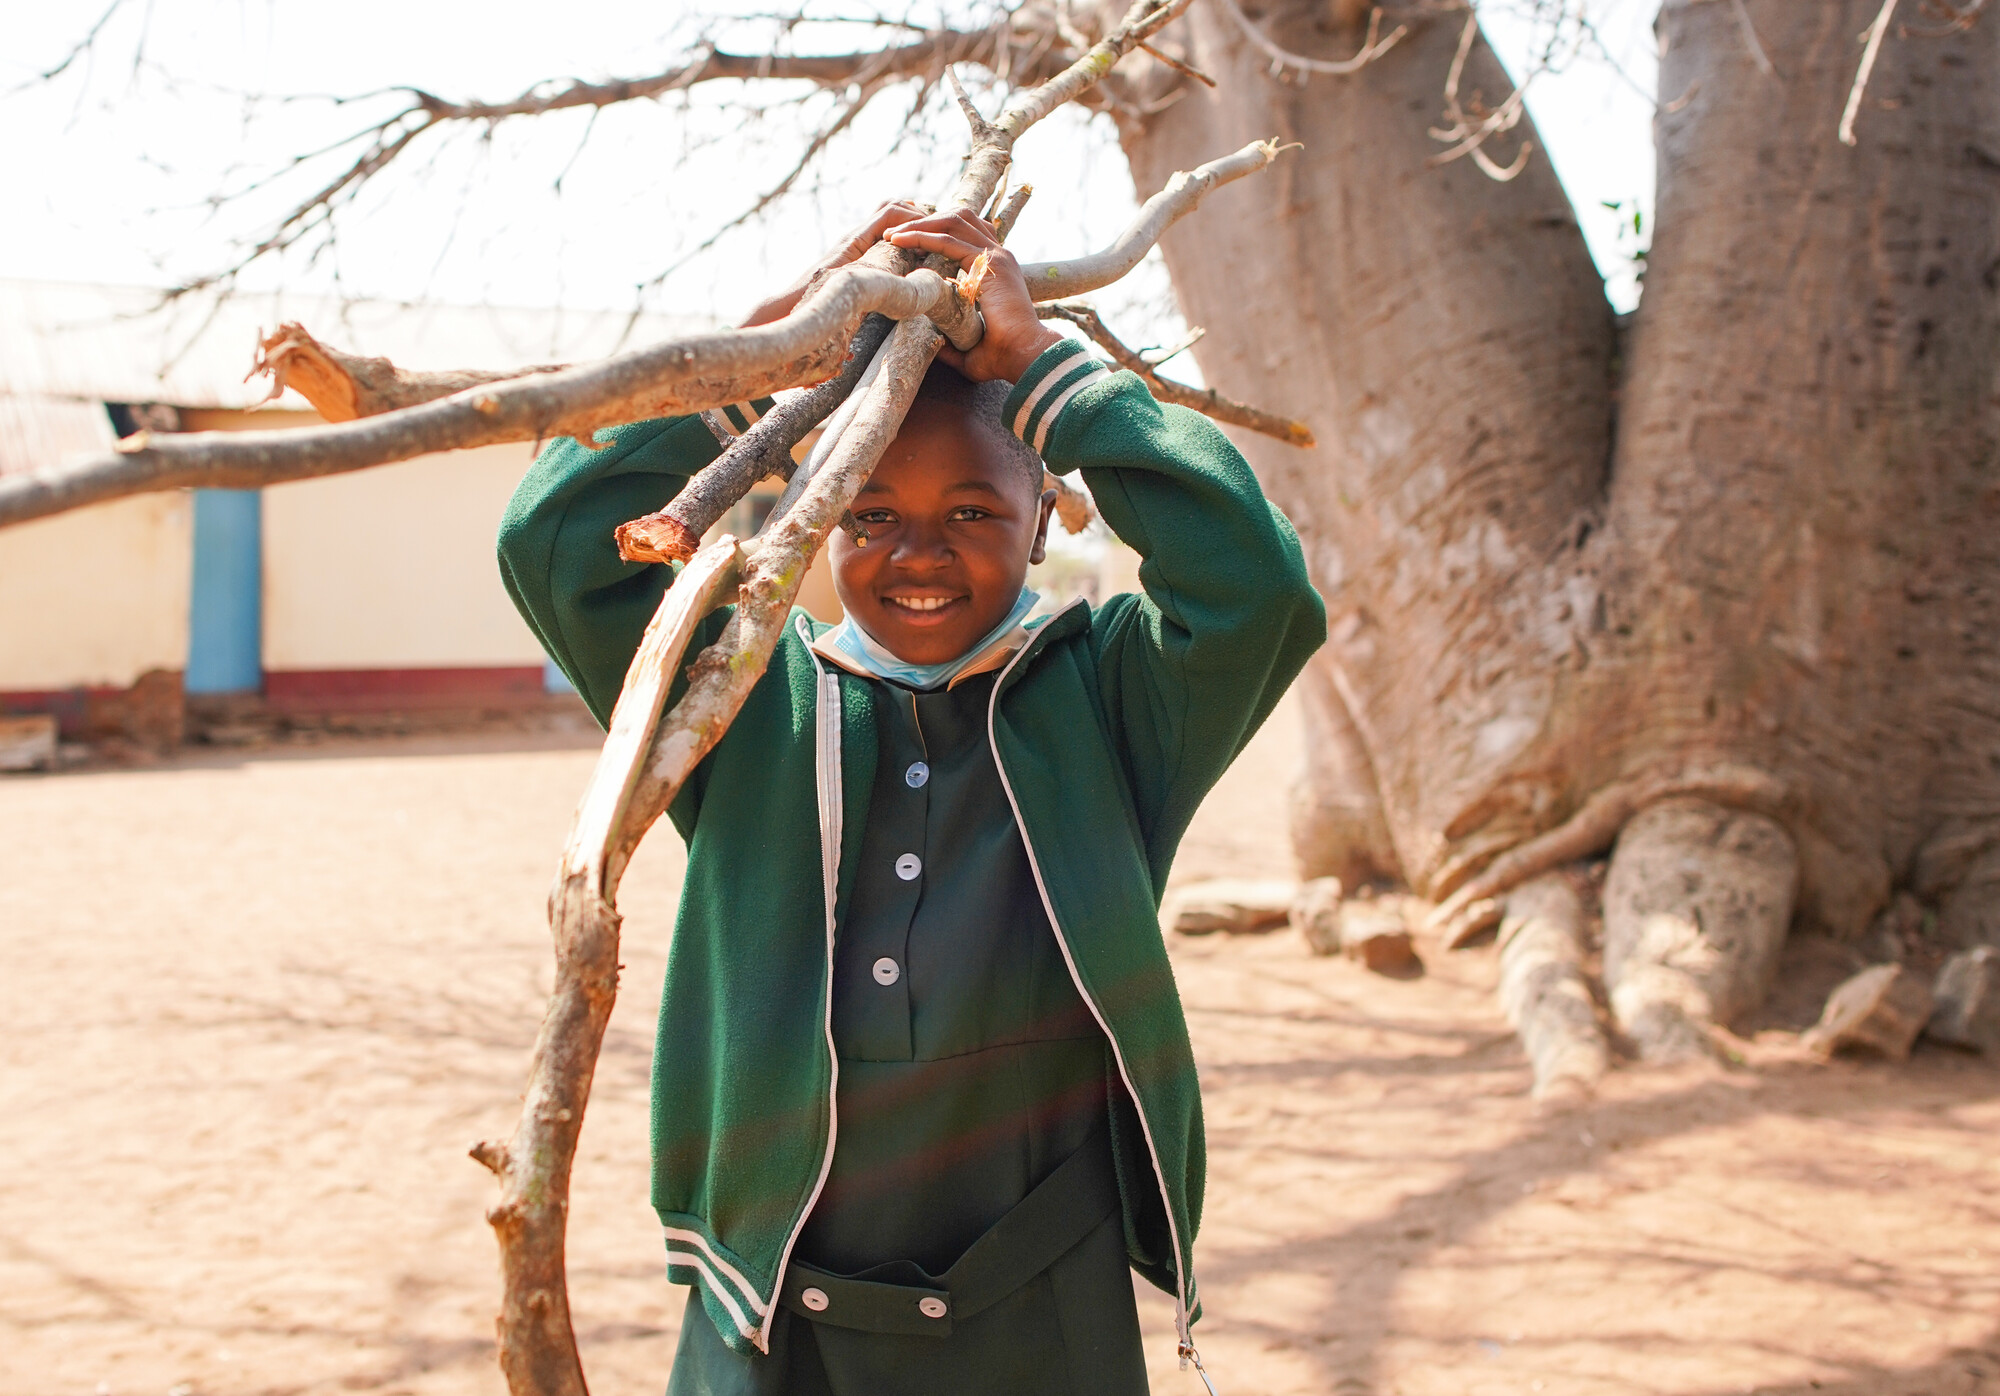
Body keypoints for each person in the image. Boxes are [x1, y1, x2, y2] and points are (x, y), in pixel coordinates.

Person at [497, 202, 1325, 1395]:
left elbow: (1257, 591)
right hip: (769, 1310)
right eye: (870, 514)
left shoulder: (1108, 706)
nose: (917, 553)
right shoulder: (739, 707)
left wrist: (1046, 377)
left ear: (1045, 517)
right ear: (824, 520)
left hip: (1036, 1308)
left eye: (974, 513)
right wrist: (760, 368)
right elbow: (552, 538)